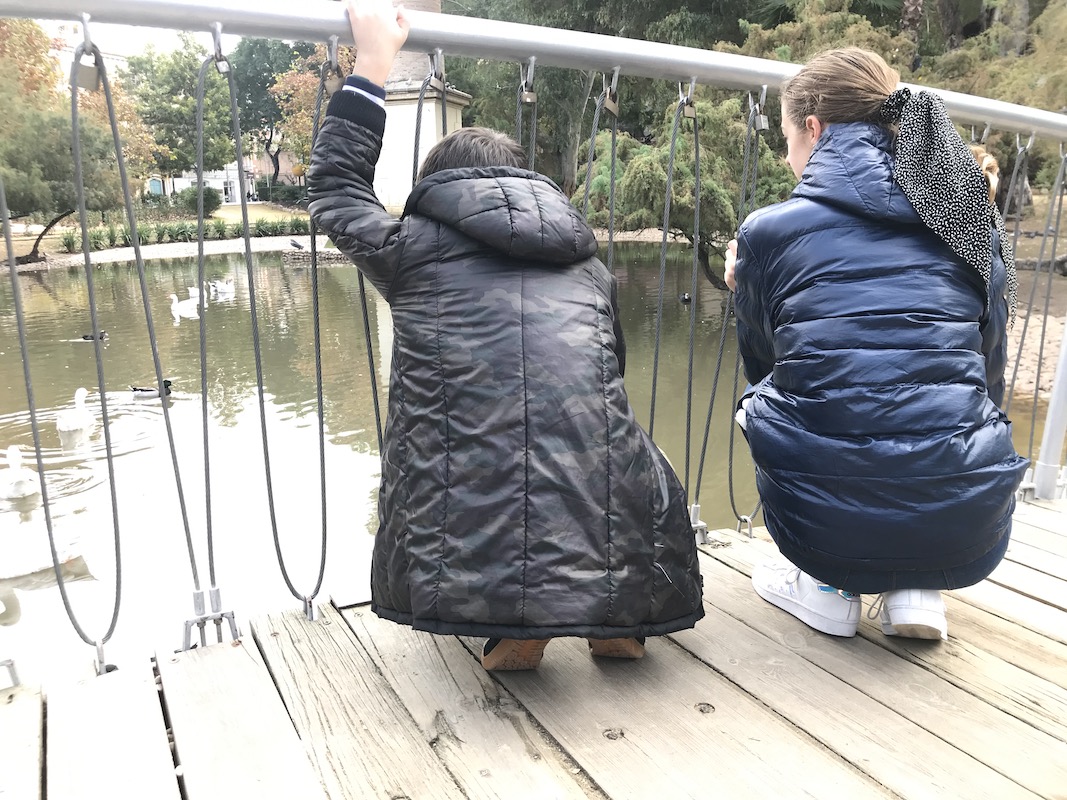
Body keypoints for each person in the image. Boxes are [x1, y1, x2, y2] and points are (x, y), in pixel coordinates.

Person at [308, 0, 703, 670]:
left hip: (471, 502)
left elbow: (335, 189)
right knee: (611, 447)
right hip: (595, 483)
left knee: (461, 457)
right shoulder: (587, 262)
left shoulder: (409, 249)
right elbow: (610, 366)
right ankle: (617, 618)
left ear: (437, 187)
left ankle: (516, 625)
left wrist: (370, 64)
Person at [724, 48, 1028, 641]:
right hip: (966, 518)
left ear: (814, 128)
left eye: (786, 137)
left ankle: (826, 588)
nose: (786, 156)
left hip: (824, 530)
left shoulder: (768, 232)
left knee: (761, 404)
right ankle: (916, 590)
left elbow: (768, 370)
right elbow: (989, 370)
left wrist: (746, 284)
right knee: (945, 407)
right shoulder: (968, 220)